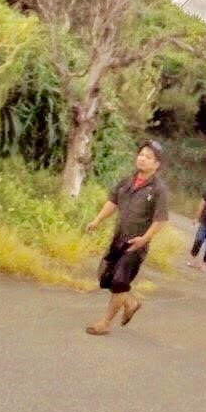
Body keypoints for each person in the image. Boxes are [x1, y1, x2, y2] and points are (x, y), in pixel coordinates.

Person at [83, 140, 168, 336]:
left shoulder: (158, 190)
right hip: (118, 238)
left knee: (119, 282)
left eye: (148, 157)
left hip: (135, 244)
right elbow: (113, 202)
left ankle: (104, 323)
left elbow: (161, 220)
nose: (142, 158)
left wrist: (144, 240)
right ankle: (130, 302)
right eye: (141, 154)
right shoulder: (126, 181)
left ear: (157, 164)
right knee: (105, 277)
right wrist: (97, 221)